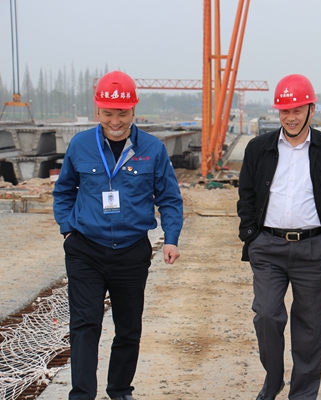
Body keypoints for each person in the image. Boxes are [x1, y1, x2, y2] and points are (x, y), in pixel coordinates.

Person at [53, 70, 184, 400]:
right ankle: (82, 394)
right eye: (108, 113)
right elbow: (64, 191)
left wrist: (171, 237)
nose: (115, 121)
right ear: (97, 110)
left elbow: (169, 198)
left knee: (128, 328)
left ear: (133, 110)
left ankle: (120, 390)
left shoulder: (152, 149)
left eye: (122, 113)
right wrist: (67, 230)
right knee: (85, 325)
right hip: (85, 250)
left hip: (131, 251)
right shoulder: (80, 145)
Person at [237, 74, 321, 400]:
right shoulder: (259, 148)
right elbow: (246, 193)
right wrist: (251, 236)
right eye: (285, 110)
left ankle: (302, 395)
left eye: (297, 110)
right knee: (266, 315)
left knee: (309, 329)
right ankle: (273, 380)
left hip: (314, 250)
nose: (291, 117)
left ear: (311, 110)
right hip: (268, 248)